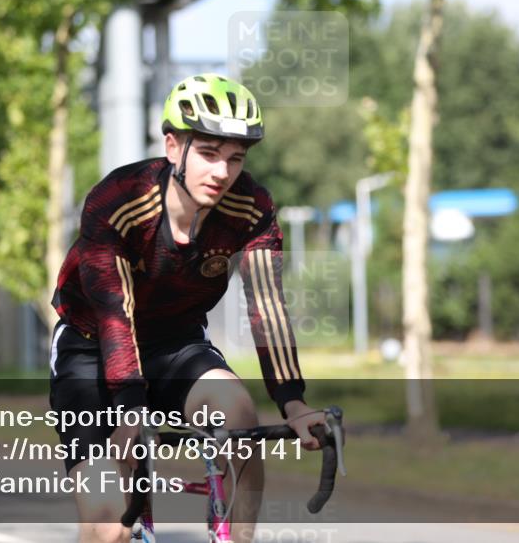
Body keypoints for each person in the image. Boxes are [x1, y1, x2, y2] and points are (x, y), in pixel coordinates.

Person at [49, 73, 325, 543]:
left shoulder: (251, 208)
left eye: (235, 158)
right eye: (209, 154)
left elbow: (267, 305)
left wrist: (293, 402)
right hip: (92, 348)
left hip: (176, 343)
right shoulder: (119, 200)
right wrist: (130, 409)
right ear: (174, 147)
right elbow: (115, 313)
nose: (222, 172)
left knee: (237, 412)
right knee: (109, 527)